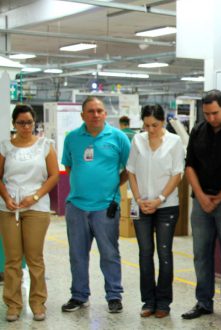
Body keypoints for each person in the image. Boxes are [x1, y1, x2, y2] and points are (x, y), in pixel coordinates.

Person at [61, 96, 131, 314]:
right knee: (77, 254)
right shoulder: (72, 138)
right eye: (91, 111)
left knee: (109, 253)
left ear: (105, 114)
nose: (96, 114)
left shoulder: (118, 138)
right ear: (82, 115)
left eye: (100, 110)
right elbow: (70, 166)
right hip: (77, 207)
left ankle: (114, 296)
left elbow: (129, 168)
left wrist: (112, 188)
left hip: (106, 207)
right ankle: (79, 295)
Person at [182, 90, 221, 328]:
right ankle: (203, 302)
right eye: (206, 114)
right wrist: (200, 196)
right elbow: (189, 166)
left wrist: (218, 198)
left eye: (215, 113)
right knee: (201, 253)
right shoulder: (198, 130)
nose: (211, 118)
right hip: (201, 200)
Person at [0, 104, 59, 322]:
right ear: (14, 124)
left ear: (35, 124)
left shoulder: (45, 145)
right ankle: (13, 305)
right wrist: (6, 198)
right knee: (12, 259)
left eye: (29, 123)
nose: (25, 127)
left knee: (35, 258)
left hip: (36, 208)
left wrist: (34, 197)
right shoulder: (5, 147)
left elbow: (54, 176)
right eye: (21, 123)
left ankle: (37, 303)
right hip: (9, 209)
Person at [126, 104, 184, 318]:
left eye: (155, 125)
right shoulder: (137, 140)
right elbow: (130, 171)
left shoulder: (174, 141)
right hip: (141, 205)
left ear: (163, 122)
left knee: (164, 253)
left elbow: (177, 174)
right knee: (144, 253)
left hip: (166, 206)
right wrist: (138, 198)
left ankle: (164, 302)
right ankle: (148, 301)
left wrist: (159, 199)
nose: (150, 130)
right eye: (147, 125)